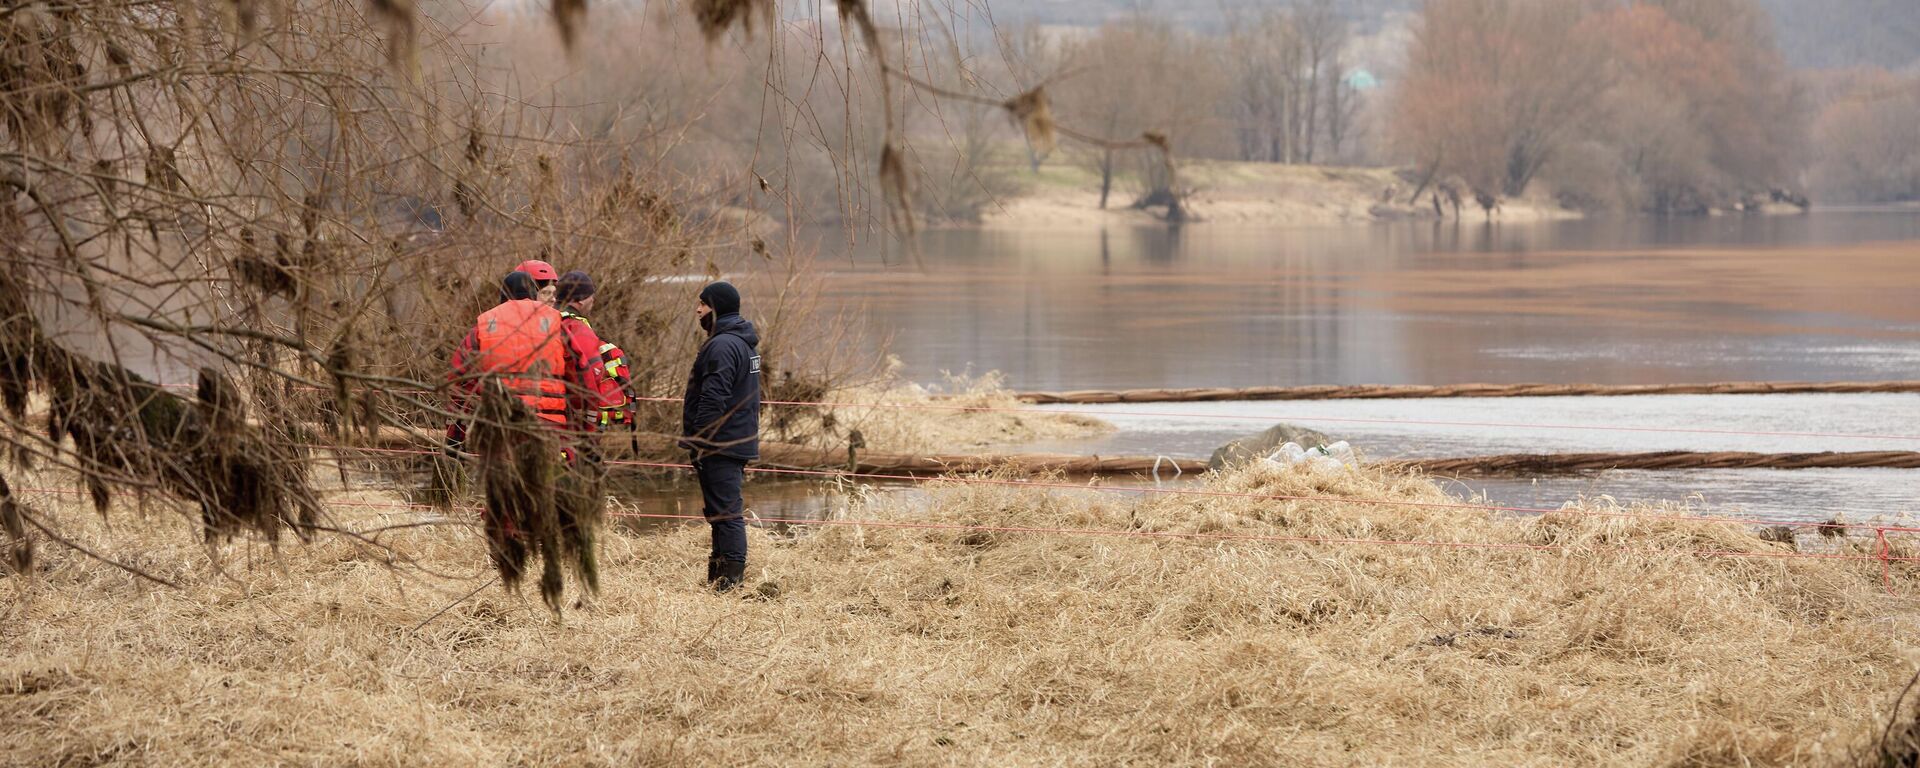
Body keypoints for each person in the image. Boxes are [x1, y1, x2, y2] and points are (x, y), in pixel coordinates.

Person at [680, 281, 761, 592]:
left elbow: (714, 397)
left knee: (726, 513)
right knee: (719, 511)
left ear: (717, 307)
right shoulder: (741, 342)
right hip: (734, 439)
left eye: (703, 304)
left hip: (720, 443)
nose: (698, 310)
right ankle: (718, 581)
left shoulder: (723, 345)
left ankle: (728, 583)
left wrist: (699, 439)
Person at [446, 270, 578, 454]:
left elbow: (460, 378)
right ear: (534, 293)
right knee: (544, 479)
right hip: (549, 422)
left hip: (498, 420)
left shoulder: (483, 324)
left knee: (500, 478)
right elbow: (579, 370)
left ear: (503, 294)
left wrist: (455, 433)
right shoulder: (559, 321)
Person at [553, 270, 636, 433]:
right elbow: (590, 375)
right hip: (570, 414)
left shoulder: (548, 319)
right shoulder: (577, 327)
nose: (593, 300)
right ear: (580, 300)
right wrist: (590, 425)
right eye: (591, 295)